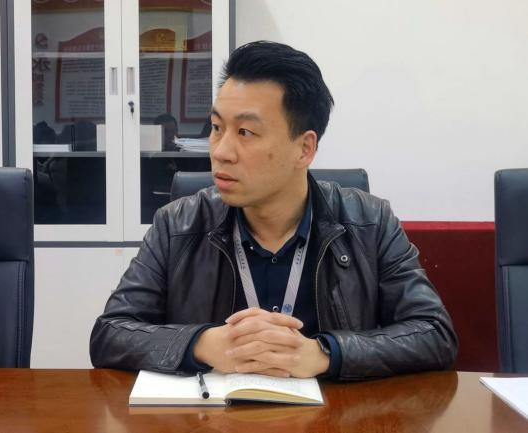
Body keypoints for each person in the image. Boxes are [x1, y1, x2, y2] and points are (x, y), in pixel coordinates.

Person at [90, 41, 457, 380]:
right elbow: (110, 333)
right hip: (210, 416)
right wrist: (202, 344)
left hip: (332, 417)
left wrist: (325, 354)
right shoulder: (178, 224)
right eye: (216, 128)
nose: (221, 151)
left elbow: (434, 333)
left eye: (245, 132)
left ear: (304, 148)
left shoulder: (370, 222)